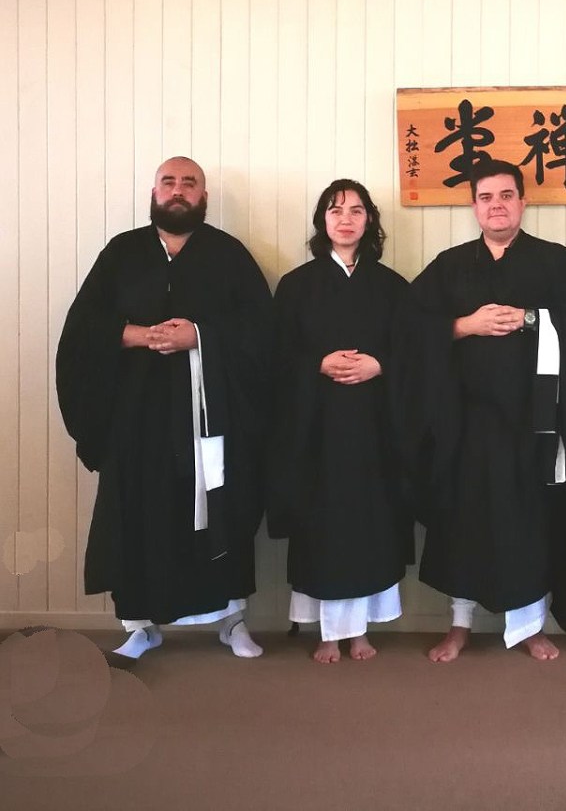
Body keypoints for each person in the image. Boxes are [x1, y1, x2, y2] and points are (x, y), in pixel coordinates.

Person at [56, 156, 272, 662]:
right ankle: (140, 624)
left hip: (209, 414)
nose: (178, 190)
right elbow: (82, 328)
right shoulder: (122, 252)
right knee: (136, 510)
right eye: (169, 182)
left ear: (203, 196)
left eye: (189, 183)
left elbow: (262, 332)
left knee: (218, 507)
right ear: (154, 193)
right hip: (136, 414)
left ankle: (231, 619)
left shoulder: (228, 254)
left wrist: (199, 336)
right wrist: (134, 334)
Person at [402, 159, 566, 662]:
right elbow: (410, 326)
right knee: (461, 523)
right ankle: (459, 625)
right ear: (474, 206)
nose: (497, 206)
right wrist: (463, 325)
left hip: (534, 423)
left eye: (507, 195)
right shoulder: (450, 265)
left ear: (523, 202)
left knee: (528, 525)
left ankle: (528, 626)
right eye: (486, 197)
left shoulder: (556, 262)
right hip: (465, 423)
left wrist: (531, 319)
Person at [268, 179, 414, 663]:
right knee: (323, 527)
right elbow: (274, 358)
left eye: (355, 210)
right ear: (322, 222)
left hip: (374, 427)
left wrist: (381, 365)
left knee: (370, 524)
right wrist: (317, 364)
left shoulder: (393, 287)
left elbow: (415, 354)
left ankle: (361, 631)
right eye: (335, 210)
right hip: (316, 430)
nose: (345, 219)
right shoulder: (295, 286)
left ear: (369, 220)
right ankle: (328, 633)